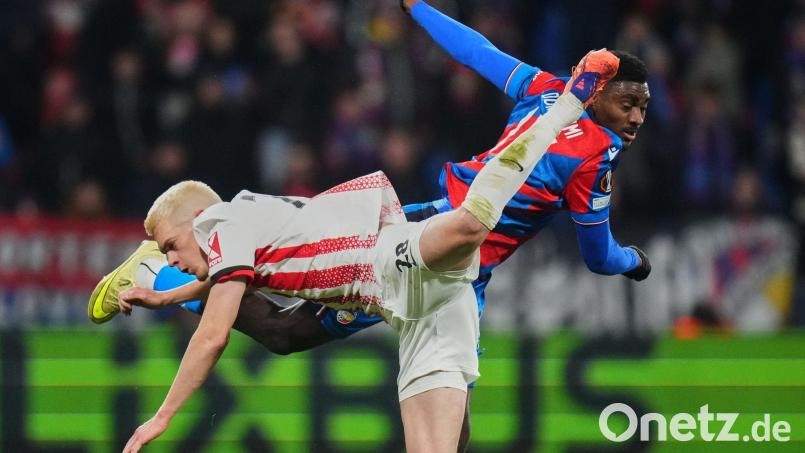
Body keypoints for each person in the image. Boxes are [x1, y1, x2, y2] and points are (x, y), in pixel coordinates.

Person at [115, 50, 619, 453]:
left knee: (471, 225)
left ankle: (568, 104)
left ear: (198, 219)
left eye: (170, 246)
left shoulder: (221, 222)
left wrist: (162, 416)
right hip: (412, 304)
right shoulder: (235, 233)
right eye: (165, 255)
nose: (176, 254)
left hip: (391, 261)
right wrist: (167, 295)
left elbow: (212, 337)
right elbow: (225, 286)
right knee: (449, 439)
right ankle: (150, 276)